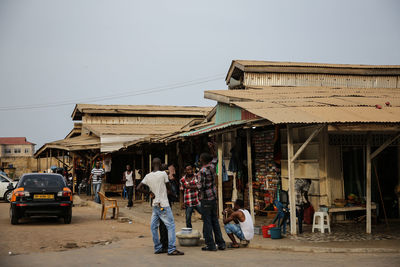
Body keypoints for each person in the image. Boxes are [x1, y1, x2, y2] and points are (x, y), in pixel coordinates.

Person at [137, 158, 184, 256]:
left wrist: (149, 192)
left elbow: (138, 188)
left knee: (153, 227)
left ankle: (158, 247)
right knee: (170, 226)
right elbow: (168, 188)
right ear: (160, 164)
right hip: (163, 204)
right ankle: (171, 249)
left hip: (155, 205)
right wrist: (172, 193)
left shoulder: (148, 176)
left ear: (153, 164)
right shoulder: (163, 174)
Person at [197, 152, 226, 251]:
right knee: (215, 222)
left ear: (203, 160)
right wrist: (212, 147)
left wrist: (193, 186)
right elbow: (215, 158)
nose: (199, 160)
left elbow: (201, 186)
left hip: (206, 199)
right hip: (214, 198)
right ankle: (221, 243)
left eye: (200, 159)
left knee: (207, 222)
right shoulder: (213, 166)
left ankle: (211, 245)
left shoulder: (202, 171)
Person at [180, 163, 202, 228]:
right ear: (185, 171)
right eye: (188, 170)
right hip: (188, 202)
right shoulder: (182, 180)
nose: (190, 171)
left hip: (197, 201)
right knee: (188, 219)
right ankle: (189, 233)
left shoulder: (197, 176)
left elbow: (200, 187)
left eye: (191, 169)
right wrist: (182, 202)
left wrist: (190, 187)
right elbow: (181, 191)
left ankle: (206, 232)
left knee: (205, 215)